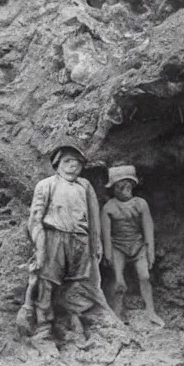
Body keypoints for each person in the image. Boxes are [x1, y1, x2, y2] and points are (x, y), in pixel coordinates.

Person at [25, 144, 118, 343]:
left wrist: (96, 243)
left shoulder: (84, 186)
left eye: (77, 163)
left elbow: (94, 217)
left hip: (80, 240)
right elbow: (35, 218)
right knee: (47, 282)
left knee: (80, 282)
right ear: (57, 164)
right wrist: (40, 247)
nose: (72, 167)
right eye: (68, 161)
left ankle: (75, 321)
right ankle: (43, 327)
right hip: (54, 237)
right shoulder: (46, 185)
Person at [101, 165, 163, 326]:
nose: (125, 189)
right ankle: (117, 313)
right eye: (121, 186)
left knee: (145, 276)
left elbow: (148, 228)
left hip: (138, 245)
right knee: (119, 282)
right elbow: (106, 234)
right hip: (118, 247)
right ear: (113, 188)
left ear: (133, 185)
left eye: (128, 185)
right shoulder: (109, 207)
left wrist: (150, 251)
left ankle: (151, 311)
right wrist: (107, 254)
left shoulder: (140, 204)